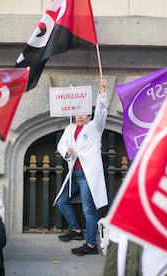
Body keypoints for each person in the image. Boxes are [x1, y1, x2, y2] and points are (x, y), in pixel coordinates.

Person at [54, 77, 108, 256]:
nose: (79, 115)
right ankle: (76, 230)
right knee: (62, 201)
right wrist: (66, 152)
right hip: (74, 174)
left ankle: (91, 245)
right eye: (78, 112)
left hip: (87, 175)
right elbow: (61, 145)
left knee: (88, 210)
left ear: (89, 116)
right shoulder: (69, 129)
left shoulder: (95, 127)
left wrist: (102, 93)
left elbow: (101, 113)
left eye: (84, 113)